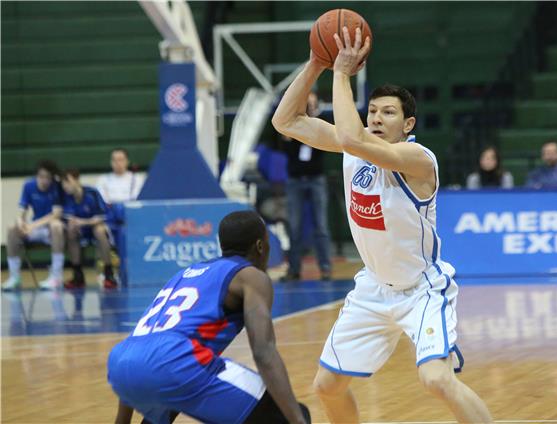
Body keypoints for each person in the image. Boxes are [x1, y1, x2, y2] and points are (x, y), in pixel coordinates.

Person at [272, 27, 492, 423]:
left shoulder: (417, 159)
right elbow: (285, 120)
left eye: (387, 112)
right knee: (327, 386)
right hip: (373, 288)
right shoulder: (352, 145)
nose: (376, 117)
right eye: (372, 111)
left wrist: (340, 74)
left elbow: (353, 140)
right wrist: (316, 63)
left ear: (408, 124)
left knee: (436, 380)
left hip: (420, 289)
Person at [107, 210, 310, 424]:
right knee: (289, 414)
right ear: (261, 246)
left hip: (121, 362)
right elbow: (263, 351)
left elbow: (144, 352)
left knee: (176, 387)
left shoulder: (185, 274)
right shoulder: (250, 276)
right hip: (173, 361)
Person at [281, 92, 332, 281]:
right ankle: (294, 269)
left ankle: (325, 267)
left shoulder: (322, 122)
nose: (309, 107)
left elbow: (322, 147)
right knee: (294, 226)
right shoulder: (292, 124)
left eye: (312, 103)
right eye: (306, 104)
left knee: (321, 225)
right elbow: (286, 148)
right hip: (295, 179)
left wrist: (311, 121)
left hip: (315, 178)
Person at [2, 160, 65, 291]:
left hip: (50, 230)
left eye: (48, 177)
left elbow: (56, 214)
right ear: (37, 175)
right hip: (36, 229)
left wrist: (32, 226)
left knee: (56, 225)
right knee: (11, 228)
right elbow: (22, 210)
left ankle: (56, 277)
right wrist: (20, 222)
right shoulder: (28, 185)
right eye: (41, 177)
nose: (44, 180)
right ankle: (14, 277)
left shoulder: (57, 186)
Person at [61, 169, 117, 290]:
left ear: (76, 180)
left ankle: (109, 274)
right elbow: (69, 219)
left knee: (100, 230)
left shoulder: (92, 193)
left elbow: (101, 217)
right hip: (81, 230)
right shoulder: (66, 197)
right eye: (63, 182)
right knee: (70, 230)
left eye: (68, 181)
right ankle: (78, 275)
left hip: (95, 226)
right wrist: (75, 223)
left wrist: (82, 222)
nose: (65, 185)